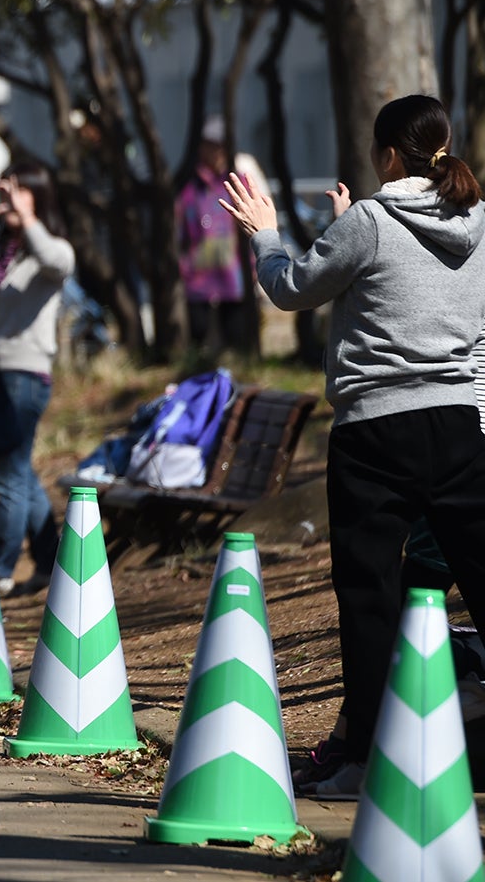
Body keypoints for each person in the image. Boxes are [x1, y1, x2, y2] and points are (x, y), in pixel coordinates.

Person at [221, 93, 485, 799]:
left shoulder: (369, 219)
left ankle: (367, 762)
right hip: (460, 426)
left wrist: (266, 232)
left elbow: (289, 289)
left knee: (367, 599)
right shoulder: (475, 217)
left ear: (387, 156)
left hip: (374, 431)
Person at [0, 163, 73, 597]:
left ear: (37, 197)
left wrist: (28, 216)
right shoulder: (5, 249)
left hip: (26, 373)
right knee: (21, 473)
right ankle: (49, 561)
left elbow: (59, 262)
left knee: (8, 475)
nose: (8, 201)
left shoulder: (48, 249)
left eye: (19, 193)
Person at [179, 116, 249, 354]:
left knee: (237, 339)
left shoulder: (239, 183)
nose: (216, 151)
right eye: (211, 144)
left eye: (220, 145)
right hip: (198, 277)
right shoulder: (189, 186)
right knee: (198, 341)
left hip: (235, 276)